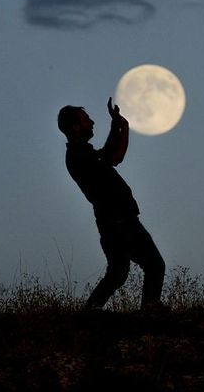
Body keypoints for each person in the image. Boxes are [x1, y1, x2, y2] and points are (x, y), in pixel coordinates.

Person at [57, 98, 165, 309]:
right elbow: (115, 157)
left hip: (114, 221)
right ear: (75, 126)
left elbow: (106, 155)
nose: (92, 122)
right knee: (153, 265)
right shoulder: (78, 155)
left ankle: (91, 312)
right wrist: (123, 127)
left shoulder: (82, 153)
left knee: (118, 273)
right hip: (119, 222)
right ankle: (149, 311)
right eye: (86, 119)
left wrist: (116, 126)